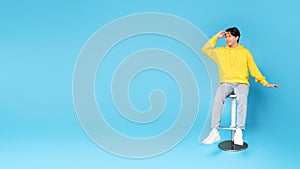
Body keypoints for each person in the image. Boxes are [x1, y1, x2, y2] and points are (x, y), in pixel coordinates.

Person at [201, 27, 279, 145]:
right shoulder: (221, 52)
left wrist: (264, 82)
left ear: (237, 37)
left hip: (241, 83)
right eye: (226, 37)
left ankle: (239, 131)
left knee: (242, 99)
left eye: (230, 36)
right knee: (218, 98)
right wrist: (216, 37)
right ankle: (214, 131)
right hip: (226, 83)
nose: (227, 39)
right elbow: (205, 49)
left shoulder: (245, 52)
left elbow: (254, 70)